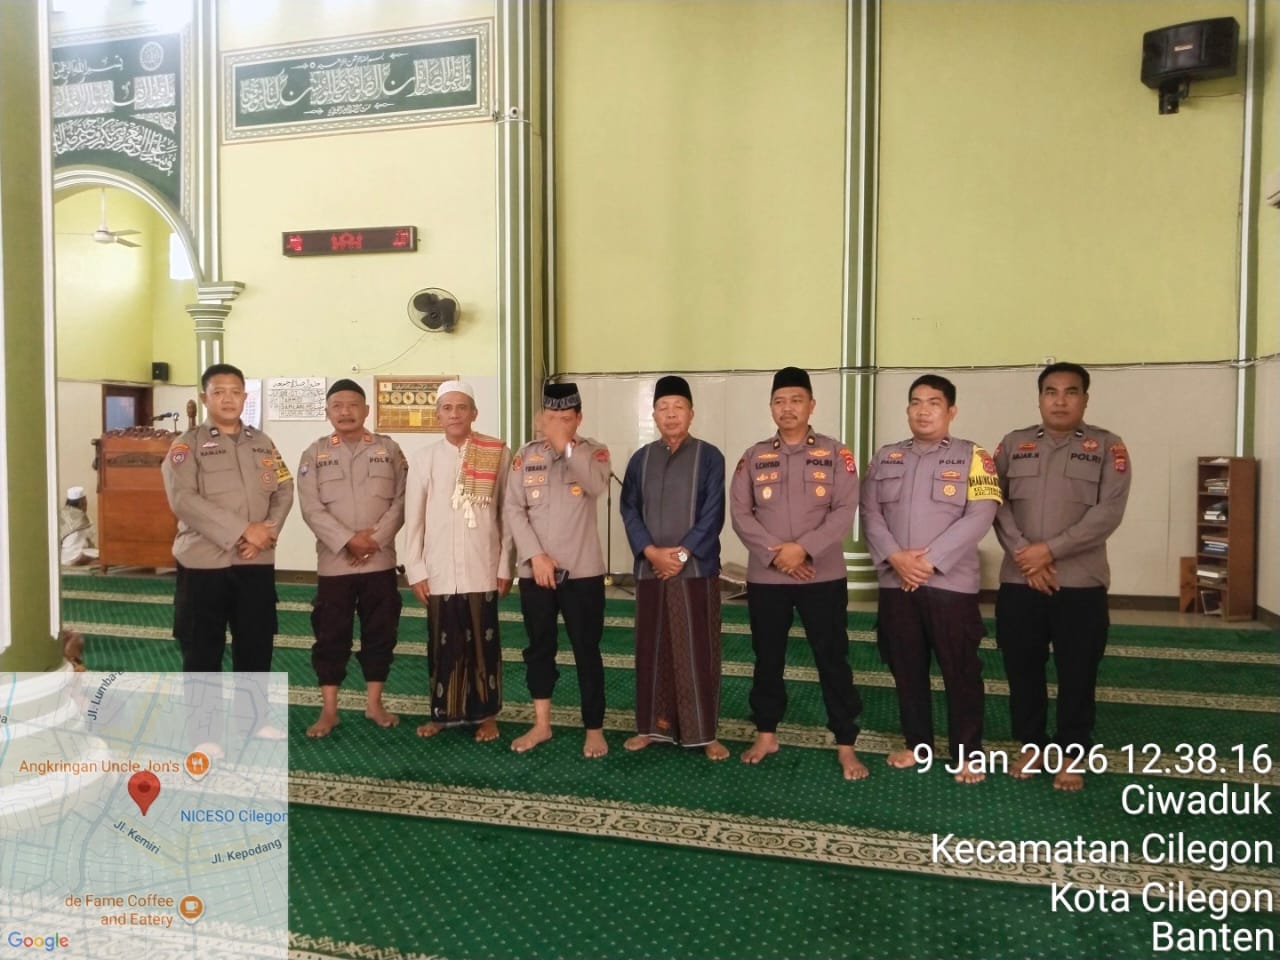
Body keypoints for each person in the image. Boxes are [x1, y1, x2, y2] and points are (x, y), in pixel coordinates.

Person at [993, 361, 1131, 792]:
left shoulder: (1107, 446)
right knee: (1022, 669)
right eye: (1051, 391)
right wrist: (1027, 557)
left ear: (1085, 399)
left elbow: (1108, 513)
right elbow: (995, 502)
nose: (1060, 400)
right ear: (1039, 398)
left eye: (1071, 392)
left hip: (1080, 584)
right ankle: (1031, 744)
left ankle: (1073, 751)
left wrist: (1048, 552)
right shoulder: (1013, 444)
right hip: (1020, 581)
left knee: (1078, 672)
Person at [729, 366, 868, 781]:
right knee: (767, 658)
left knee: (832, 659)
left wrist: (803, 549)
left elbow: (845, 509)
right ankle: (766, 733)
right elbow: (740, 513)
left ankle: (846, 743)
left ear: (811, 405)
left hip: (821, 575)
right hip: (767, 577)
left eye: (795, 400)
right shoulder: (754, 456)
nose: (787, 408)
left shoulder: (836, 453)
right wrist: (778, 556)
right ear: (771, 406)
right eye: (779, 401)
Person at [860, 374, 1001, 784]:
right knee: (906, 667)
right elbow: (870, 513)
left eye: (934, 403)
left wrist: (928, 562)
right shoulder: (886, 457)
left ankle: (967, 752)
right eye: (916, 402)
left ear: (951, 411)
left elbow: (981, 515)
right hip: (896, 582)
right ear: (907, 409)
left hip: (949, 586)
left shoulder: (974, 456)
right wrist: (896, 559)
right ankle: (916, 744)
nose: (923, 411)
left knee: (961, 670)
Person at [619, 375, 728, 760]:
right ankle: (652, 727)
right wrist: (651, 552)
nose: (670, 414)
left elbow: (713, 513)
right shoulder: (641, 458)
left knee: (698, 651)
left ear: (691, 413)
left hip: (695, 572)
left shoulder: (710, 456)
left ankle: (704, 733)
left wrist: (681, 555)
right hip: (651, 571)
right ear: (653, 415)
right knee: (652, 649)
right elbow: (629, 509)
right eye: (663, 408)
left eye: (677, 407)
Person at [162, 362, 294, 674]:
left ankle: (253, 709)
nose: (228, 399)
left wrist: (266, 532)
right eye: (219, 392)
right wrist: (244, 530)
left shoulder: (262, 442)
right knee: (201, 651)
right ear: (204, 398)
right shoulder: (187, 444)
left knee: (256, 649)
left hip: (256, 560)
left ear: (245, 397)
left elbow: (284, 488)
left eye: (235, 392)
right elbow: (183, 500)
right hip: (203, 564)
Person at [504, 382, 611, 759]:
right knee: (539, 648)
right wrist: (535, 556)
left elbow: (595, 486)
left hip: (582, 573)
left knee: (587, 650)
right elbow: (513, 509)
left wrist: (566, 445)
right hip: (536, 573)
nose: (558, 425)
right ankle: (541, 723)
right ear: (540, 419)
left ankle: (594, 728)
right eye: (551, 418)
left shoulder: (594, 452)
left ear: (579, 419)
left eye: (566, 419)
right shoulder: (526, 456)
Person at [297, 379, 407, 738]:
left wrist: (373, 541)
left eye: (353, 405)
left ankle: (374, 704)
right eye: (337, 406)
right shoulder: (313, 454)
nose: (345, 412)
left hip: (380, 561)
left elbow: (402, 501)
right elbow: (311, 508)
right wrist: (347, 541)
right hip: (335, 563)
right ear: (328, 412)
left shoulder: (389, 450)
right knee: (331, 636)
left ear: (366, 410)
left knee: (381, 633)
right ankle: (329, 711)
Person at [404, 380, 513, 742]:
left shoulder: (496, 452)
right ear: (437, 416)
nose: (455, 414)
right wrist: (416, 569)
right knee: (443, 645)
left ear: (474, 413)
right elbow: (414, 519)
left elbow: (506, 513)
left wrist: (505, 565)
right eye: (447, 408)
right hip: (439, 568)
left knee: (484, 645)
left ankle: (487, 715)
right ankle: (443, 713)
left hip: (483, 564)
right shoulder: (423, 458)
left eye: (461, 407)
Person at [58, 486, 99, 566]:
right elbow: (90, 537)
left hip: (60, 557)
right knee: (101, 557)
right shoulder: (81, 517)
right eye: (85, 503)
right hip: (74, 558)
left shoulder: (61, 513)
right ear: (81, 503)